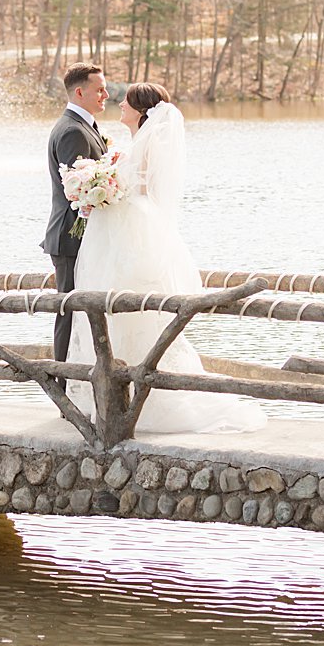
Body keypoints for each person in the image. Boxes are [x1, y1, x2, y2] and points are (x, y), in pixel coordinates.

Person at [65, 82, 265, 434]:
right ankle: (121, 393)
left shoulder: (144, 150)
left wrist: (102, 189)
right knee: (120, 316)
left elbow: (136, 192)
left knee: (134, 313)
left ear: (142, 111)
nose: (119, 105)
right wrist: (100, 185)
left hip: (131, 238)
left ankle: (144, 398)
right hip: (125, 237)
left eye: (125, 103)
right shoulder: (137, 146)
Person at [43, 62, 109, 364]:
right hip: (72, 237)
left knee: (80, 311)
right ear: (80, 92)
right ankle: (64, 384)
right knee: (68, 313)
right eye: (99, 89)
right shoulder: (72, 131)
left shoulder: (84, 126)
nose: (106, 94)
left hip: (83, 237)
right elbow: (77, 192)